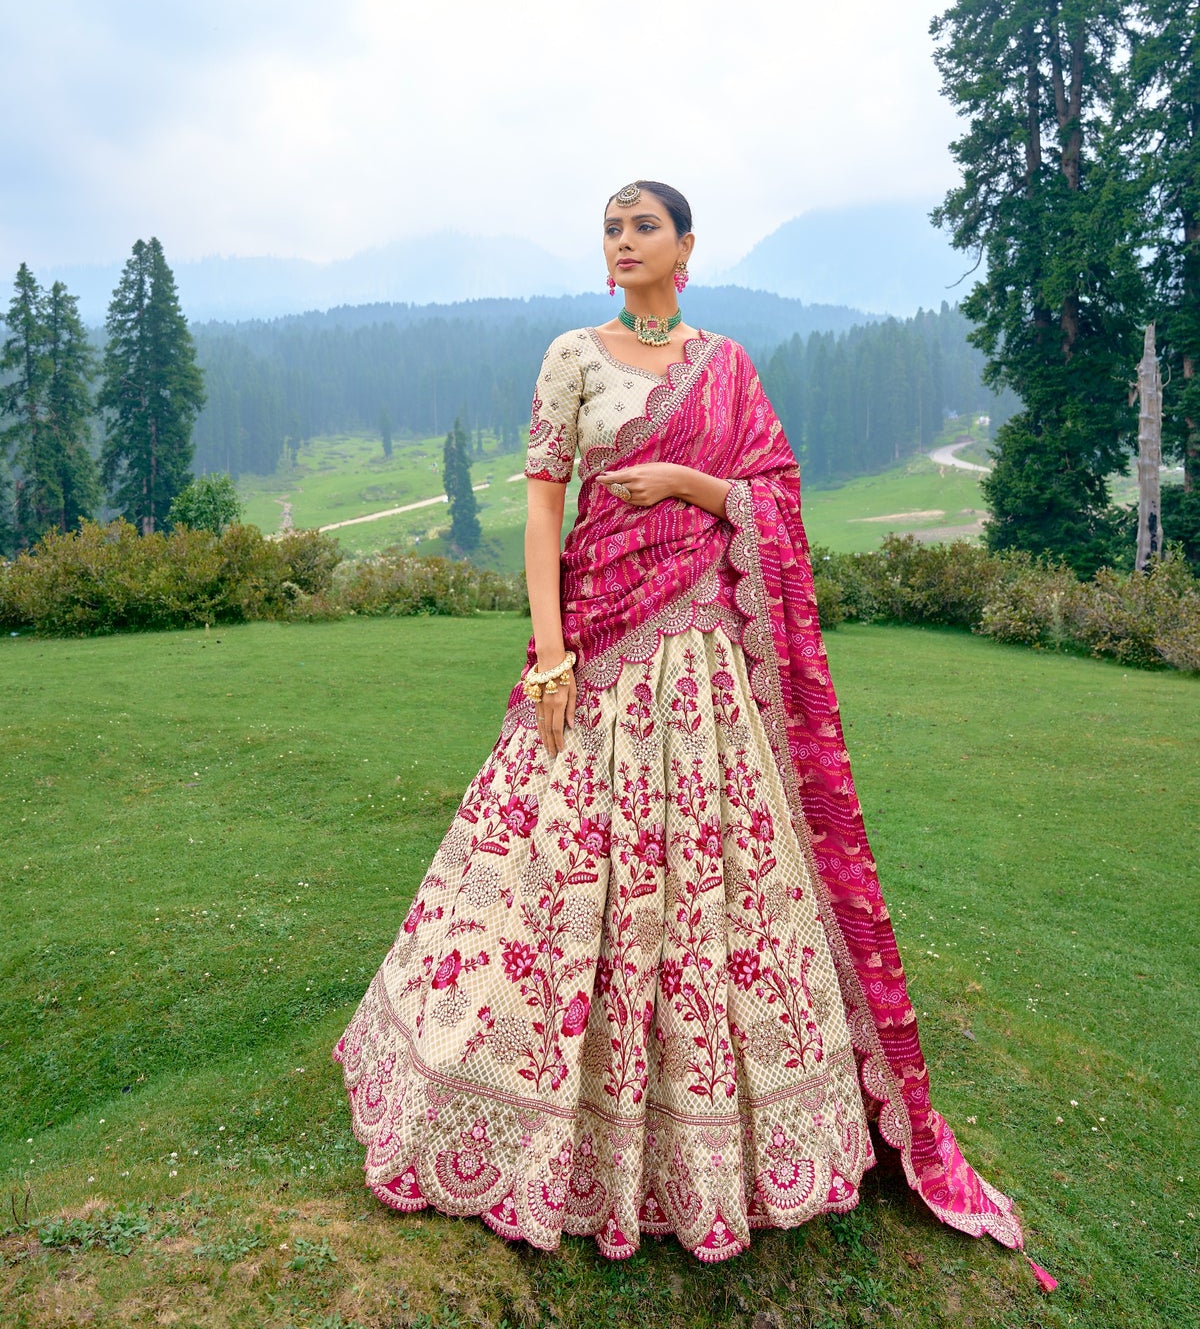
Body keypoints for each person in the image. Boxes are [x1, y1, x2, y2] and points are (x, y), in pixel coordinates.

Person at [335, 180, 1052, 1284]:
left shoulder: (727, 369)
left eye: (643, 227)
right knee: (555, 876)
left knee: (716, 888)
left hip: (706, 664)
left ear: (686, 248)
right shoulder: (573, 355)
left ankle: (718, 1144)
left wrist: (690, 482)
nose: (622, 242)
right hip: (597, 651)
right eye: (611, 227)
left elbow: (772, 496)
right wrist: (552, 652)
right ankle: (510, 1110)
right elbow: (542, 508)